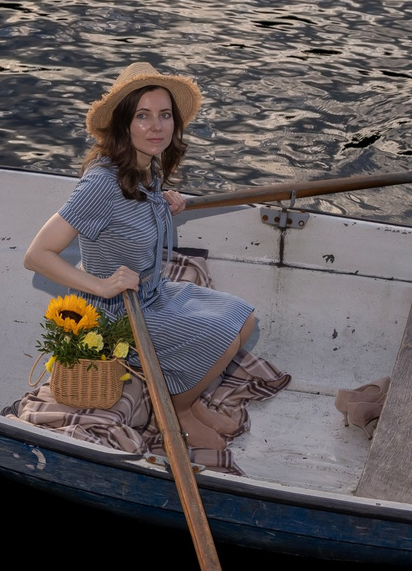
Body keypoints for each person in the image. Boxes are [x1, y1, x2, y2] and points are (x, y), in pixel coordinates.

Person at [22, 63, 258, 450]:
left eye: (164, 115)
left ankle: (189, 403)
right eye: (142, 116)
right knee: (223, 335)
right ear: (123, 125)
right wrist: (102, 284)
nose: (156, 127)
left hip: (152, 292)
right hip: (118, 313)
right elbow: (37, 255)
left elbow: (130, 212)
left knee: (243, 320)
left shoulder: (145, 169)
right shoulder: (102, 182)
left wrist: (162, 202)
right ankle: (177, 414)